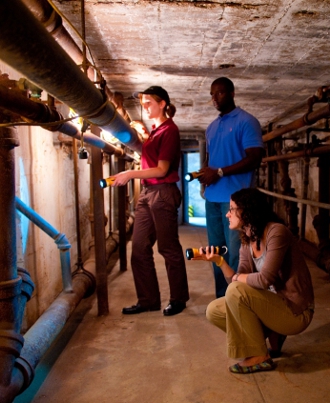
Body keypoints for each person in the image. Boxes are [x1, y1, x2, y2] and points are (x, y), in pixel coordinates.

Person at [192, 188, 314, 374]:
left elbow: (265, 279)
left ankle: (259, 356)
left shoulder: (276, 232)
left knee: (236, 291)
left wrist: (237, 279)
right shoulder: (248, 240)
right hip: (271, 305)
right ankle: (271, 335)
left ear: (247, 211)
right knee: (214, 311)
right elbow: (239, 278)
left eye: (232, 209)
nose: (227, 213)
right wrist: (219, 261)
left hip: (295, 311)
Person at [113, 86, 189, 316]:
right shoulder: (156, 131)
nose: (144, 107)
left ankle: (178, 299)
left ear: (163, 103)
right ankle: (148, 300)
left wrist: (129, 174)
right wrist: (144, 134)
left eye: (149, 103)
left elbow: (162, 169)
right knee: (138, 249)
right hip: (147, 194)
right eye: (143, 103)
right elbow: (152, 157)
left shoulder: (170, 131)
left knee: (168, 248)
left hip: (163, 193)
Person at [198, 77, 264, 299]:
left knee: (237, 253)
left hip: (236, 199)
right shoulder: (211, 127)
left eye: (220, 93)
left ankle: (240, 299)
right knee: (216, 251)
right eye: (212, 94)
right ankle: (222, 299)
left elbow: (255, 158)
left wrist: (218, 172)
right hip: (213, 199)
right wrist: (204, 173)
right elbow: (211, 160)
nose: (215, 98)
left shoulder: (247, 122)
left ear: (232, 93)